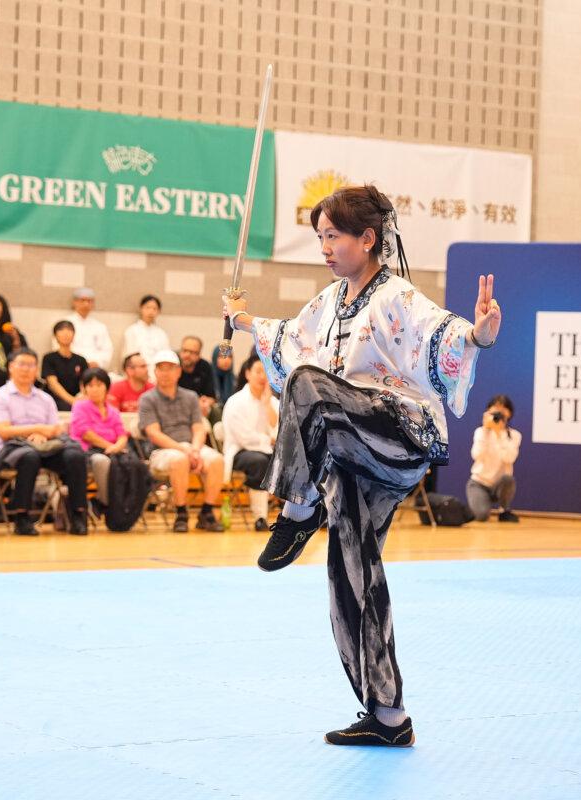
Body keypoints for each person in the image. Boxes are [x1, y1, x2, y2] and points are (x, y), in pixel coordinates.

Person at [222, 185, 501, 747]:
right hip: (349, 450)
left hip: (398, 432)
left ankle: (298, 507)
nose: (324, 247)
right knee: (351, 570)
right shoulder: (326, 303)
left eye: (334, 236)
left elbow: (439, 334)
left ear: (367, 238)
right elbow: (291, 338)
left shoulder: (395, 294)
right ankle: (388, 713)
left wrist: (477, 335)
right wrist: (247, 322)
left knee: (308, 387)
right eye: (320, 236)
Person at [0, 348, 88, 535]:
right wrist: (37, 429)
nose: (26, 369)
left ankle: (78, 514)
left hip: (46, 445)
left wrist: (43, 434)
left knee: (75, 455)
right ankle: (22, 516)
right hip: (14, 448)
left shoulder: (45, 398)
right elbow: (4, 431)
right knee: (29, 457)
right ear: (11, 368)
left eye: (31, 365)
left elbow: (54, 429)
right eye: (21, 364)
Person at [138, 350, 224, 533]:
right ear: (155, 372)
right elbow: (154, 434)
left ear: (178, 372)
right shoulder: (147, 399)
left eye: (170, 368)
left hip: (191, 447)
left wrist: (194, 449)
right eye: (161, 369)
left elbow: (198, 428)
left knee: (217, 460)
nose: (166, 373)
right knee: (179, 460)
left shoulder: (191, 396)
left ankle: (206, 513)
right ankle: (181, 513)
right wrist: (185, 450)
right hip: (161, 451)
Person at [220, 358, 278, 531]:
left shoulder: (273, 402)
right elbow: (243, 437)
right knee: (260, 461)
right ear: (247, 374)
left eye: (265, 372)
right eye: (258, 371)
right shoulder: (235, 401)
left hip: (269, 451)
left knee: (297, 461)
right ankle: (260, 517)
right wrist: (268, 440)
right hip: (240, 451)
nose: (262, 377)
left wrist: (267, 405)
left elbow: (280, 432)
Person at [68, 368, 129, 513]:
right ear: (84, 388)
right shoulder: (79, 406)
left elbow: (122, 434)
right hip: (86, 452)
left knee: (132, 463)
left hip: (112, 451)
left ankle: (124, 503)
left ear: (107, 387)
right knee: (101, 460)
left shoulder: (113, 410)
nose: (94, 389)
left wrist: (118, 446)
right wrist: (111, 446)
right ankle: (106, 502)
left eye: (99, 385)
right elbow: (86, 434)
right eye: (90, 385)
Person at [467, 395, 521, 523]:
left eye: (503, 409)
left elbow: (509, 458)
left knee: (508, 479)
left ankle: (504, 510)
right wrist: (487, 429)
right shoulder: (480, 432)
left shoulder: (514, 435)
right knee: (481, 516)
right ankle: (482, 503)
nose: (499, 412)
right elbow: (476, 455)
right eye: (496, 408)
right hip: (479, 483)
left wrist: (498, 434)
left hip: (499, 484)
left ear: (509, 413)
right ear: (488, 412)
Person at [42, 320, 87, 412]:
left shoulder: (81, 360)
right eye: (61, 330)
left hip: (77, 398)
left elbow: (84, 383)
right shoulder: (49, 358)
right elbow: (53, 384)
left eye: (69, 330)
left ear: (74, 335)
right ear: (55, 336)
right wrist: (72, 401)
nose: (66, 333)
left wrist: (81, 398)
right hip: (55, 399)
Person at [63, 287, 113, 370]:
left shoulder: (100, 326)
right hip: (71, 368)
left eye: (89, 301)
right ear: (74, 302)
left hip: (95, 369)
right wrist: (80, 363)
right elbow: (60, 347)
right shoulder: (65, 324)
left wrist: (98, 362)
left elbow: (107, 349)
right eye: (82, 300)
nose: (86, 304)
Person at [177, 335, 218, 418]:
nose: (187, 355)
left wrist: (205, 403)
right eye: (184, 350)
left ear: (199, 355)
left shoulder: (205, 367)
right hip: (175, 407)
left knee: (215, 411)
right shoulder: (174, 364)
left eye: (192, 352)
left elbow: (211, 398)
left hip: (198, 410)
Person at [122, 294, 170, 359]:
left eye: (154, 309)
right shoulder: (131, 331)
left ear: (159, 311)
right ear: (141, 308)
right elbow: (129, 356)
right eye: (148, 307)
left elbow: (166, 355)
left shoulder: (162, 333)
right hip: (138, 368)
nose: (151, 311)